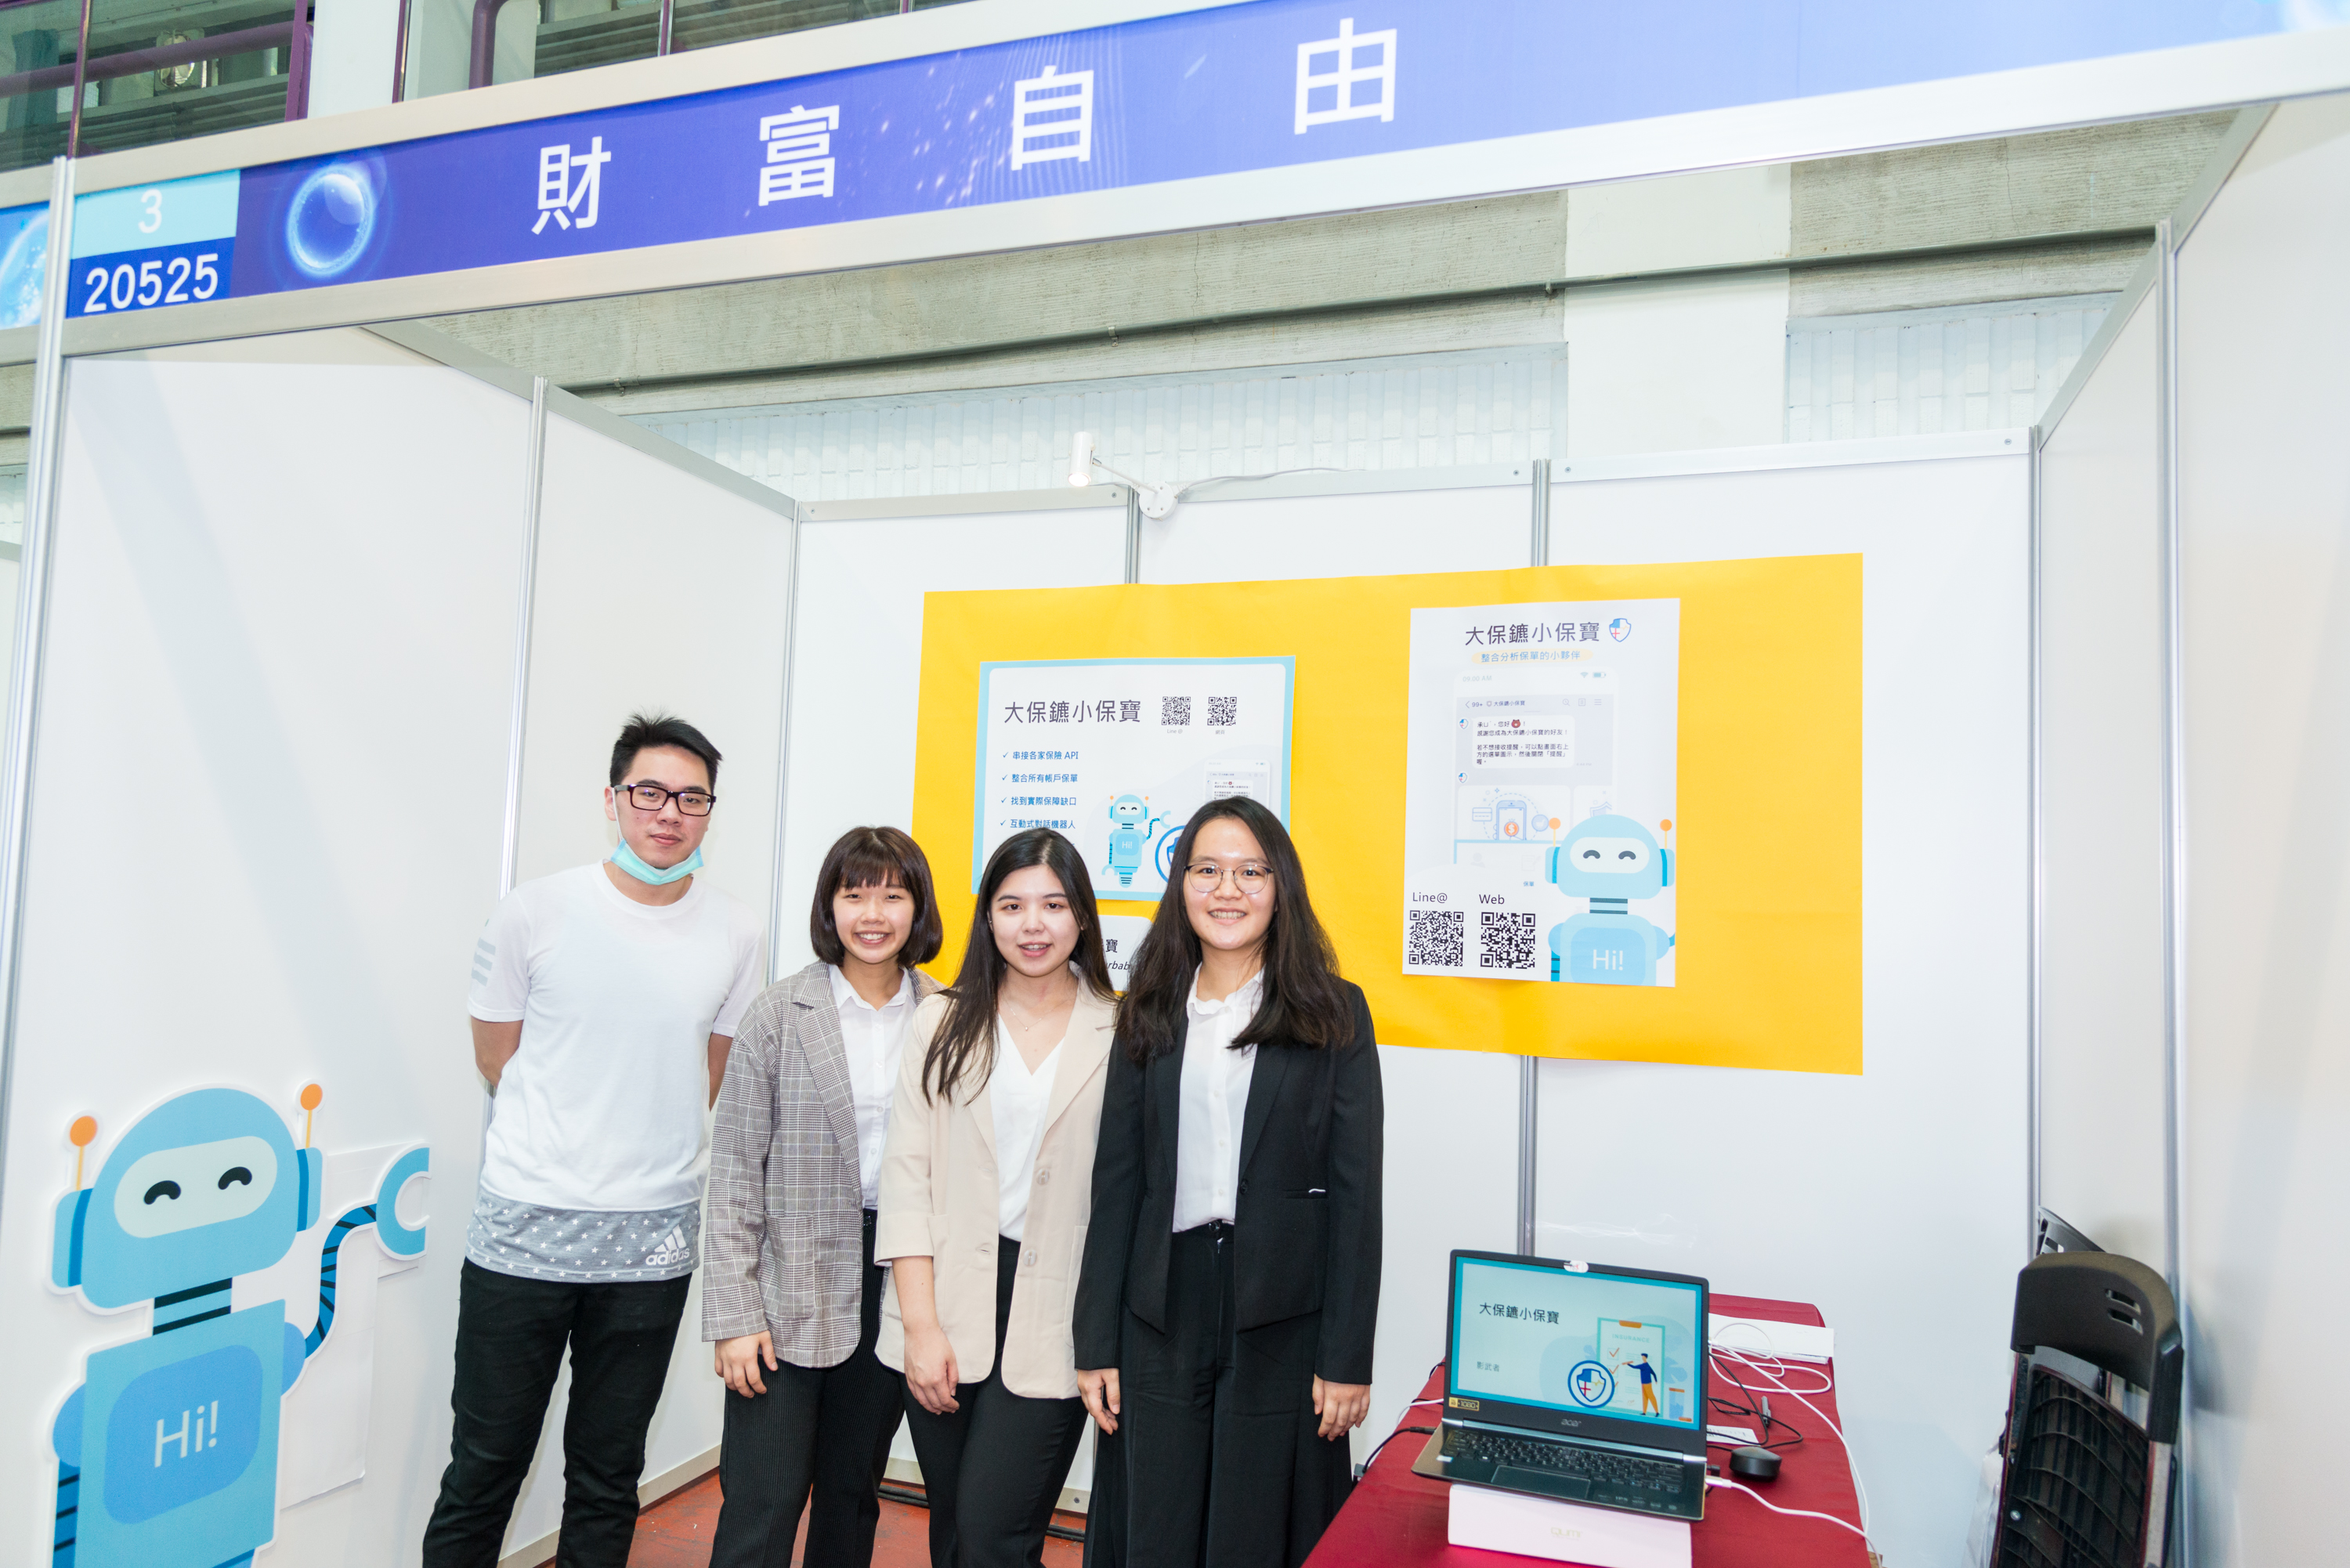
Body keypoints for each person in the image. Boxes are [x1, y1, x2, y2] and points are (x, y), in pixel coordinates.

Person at [423, 714, 765, 1568]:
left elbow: (711, 1071)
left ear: (710, 812)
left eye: (692, 798)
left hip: (652, 1245)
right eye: (650, 792)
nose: (669, 813)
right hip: (524, 1234)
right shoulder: (534, 911)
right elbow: (495, 1058)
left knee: (609, 1476)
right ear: (612, 800)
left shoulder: (736, 931)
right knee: (484, 1468)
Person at [1074, 796, 1383, 1568]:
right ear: (1181, 884)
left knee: (1257, 1527)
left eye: (1251, 871)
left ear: (1281, 888)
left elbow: (1357, 1196)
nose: (1228, 889)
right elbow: (1117, 1184)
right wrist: (1095, 1340)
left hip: (1282, 1311)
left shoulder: (1333, 1012)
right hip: (1160, 1306)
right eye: (1207, 869)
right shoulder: (1148, 1010)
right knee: (1160, 1521)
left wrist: (1348, 1355)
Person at [701, 826, 947, 1568]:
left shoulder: (946, 1015)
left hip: (897, 1276)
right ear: (829, 907)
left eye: (893, 896)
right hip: (787, 1282)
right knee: (763, 1496)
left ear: (918, 908)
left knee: (851, 1491)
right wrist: (735, 1316)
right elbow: (735, 1171)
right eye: (854, 894)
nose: (873, 914)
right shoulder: (779, 1013)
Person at [876, 828, 1120, 1568]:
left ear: (1083, 916)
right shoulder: (940, 1021)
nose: (1032, 924)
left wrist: (1109, 1339)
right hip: (944, 1302)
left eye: (1053, 904)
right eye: (1012, 906)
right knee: (953, 1530)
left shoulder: (1125, 1028)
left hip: (1058, 1311)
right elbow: (906, 1176)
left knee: (994, 1536)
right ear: (988, 917)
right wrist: (921, 1329)